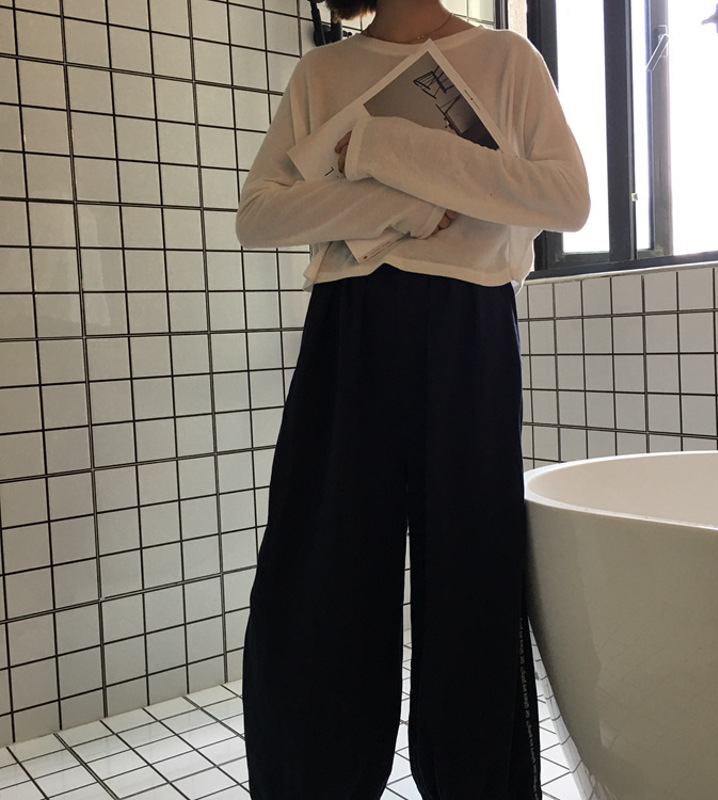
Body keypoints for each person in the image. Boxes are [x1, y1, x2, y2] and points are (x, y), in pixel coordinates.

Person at [236, 0, 589, 796]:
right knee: (321, 565)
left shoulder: (508, 59)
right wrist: (407, 203)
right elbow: (257, 216)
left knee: (472, 568)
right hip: (349, 325)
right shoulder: (323, 71)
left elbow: (566, 198)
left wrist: (383, 147)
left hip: (470, 326)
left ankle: (476, 782)